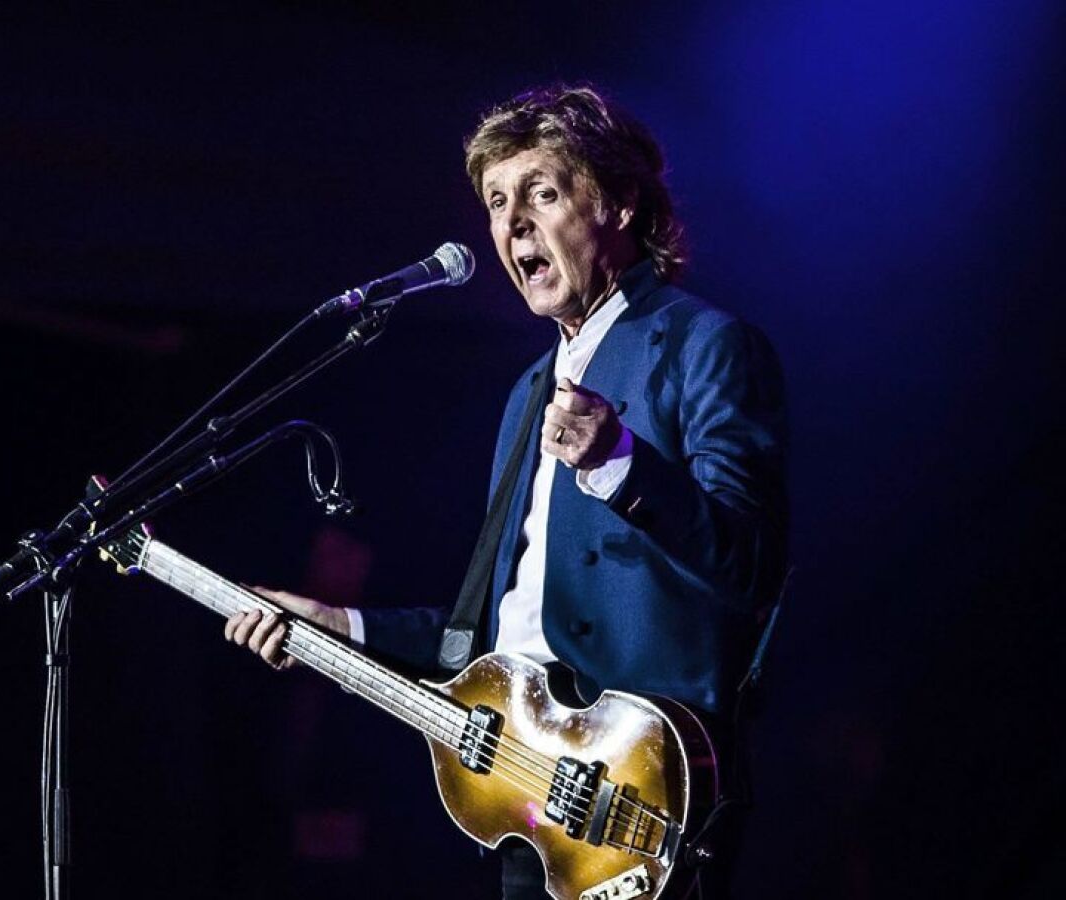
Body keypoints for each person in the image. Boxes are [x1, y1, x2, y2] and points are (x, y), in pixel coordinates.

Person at [223, 84, 788, 900]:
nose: (513, 223)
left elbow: (752, 564)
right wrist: (339, 626)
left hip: (637, 798)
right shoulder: (528, 392)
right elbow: (485, 640)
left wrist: (621, 463)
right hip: (526, 800)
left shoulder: (704, 344)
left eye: (542, 193)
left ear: (619, 203)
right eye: (496, 202)